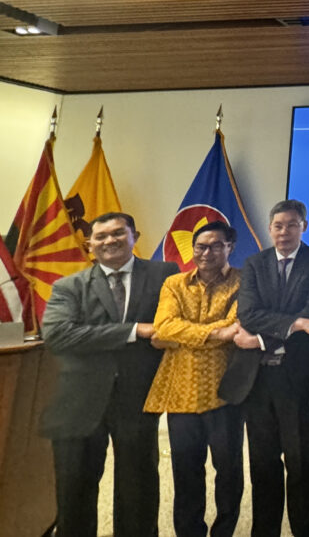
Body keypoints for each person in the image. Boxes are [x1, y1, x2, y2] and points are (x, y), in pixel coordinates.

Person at [41, 212, 177, 536]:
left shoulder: (165, 275)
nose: (109, 241)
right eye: (100, 237)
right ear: (89, 245)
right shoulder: (68, 286)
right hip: (78, 403)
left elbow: (176, 324)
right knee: (74, 491)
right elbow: (58, 335)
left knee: (139, 489)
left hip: (138, 398)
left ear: (135, 236)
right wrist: (133, 330)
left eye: (118, 233)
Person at [217, 199, 309, 537]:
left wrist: (265, 336)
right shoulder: (254, 263)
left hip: (297, 378)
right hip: (258, 379)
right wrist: (294, 323)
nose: (284, 232)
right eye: (278, 225)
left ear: (304, 227)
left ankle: (303, 530)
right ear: (270, 229)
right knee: (263, 463)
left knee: (299, 463)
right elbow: (249, 314)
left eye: (292, 225)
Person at [143, 221, 244, 537]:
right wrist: (216, 333)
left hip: (226, 389)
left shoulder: (244, 282)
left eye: (215, 245)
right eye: (200, 246)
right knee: (185, 471)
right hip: (182, 392)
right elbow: (164, 327)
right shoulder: (174, 284)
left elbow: (237, 327)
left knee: (228, 472)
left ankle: (224, 531)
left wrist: (184, 335)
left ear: (230, 246)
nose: (206, 252)